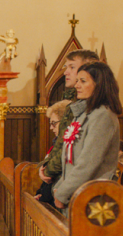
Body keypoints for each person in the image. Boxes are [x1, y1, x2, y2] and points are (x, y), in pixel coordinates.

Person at [52, 61, 122, 210]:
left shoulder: (103, 116)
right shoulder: (84, 114)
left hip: (94, 199)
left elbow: (88, 163)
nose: (77, 85)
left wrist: (62, 192)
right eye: (77, 81)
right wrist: (59, 187)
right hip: (79, 193)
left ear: (99, 85)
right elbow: (70, 160)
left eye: (83, 81)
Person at [40, 49, 100, 186]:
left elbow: (76, 152)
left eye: (72, 67)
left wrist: (48, 171)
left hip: (81, 183)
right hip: (64, 177)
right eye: (66, 67)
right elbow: (61, 141)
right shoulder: (73, 101)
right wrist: (46, 166)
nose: (66, 72)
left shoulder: (94, 108)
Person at [35, 100, 70, 207]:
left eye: (54, 123)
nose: (51, 128)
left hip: (59, 199)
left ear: (65, 122)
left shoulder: (68, 143)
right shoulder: (56, 143)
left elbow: (54, 173)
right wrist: (40, 193)